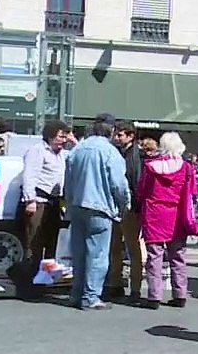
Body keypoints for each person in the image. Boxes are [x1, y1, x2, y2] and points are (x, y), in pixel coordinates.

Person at [63, 119, 131, 310]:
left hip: (77, 204)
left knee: (79, 253)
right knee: (98, 254)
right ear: (111, 132)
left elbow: (67, 180)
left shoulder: (77, 149)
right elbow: (118, 184)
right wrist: (124, 205)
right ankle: (91, 296)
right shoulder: (110, 152)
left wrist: (69, 202)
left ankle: (76, 293)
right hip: (100, 206)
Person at [133, 132, 198, 309]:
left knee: (154, 256)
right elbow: (192, 191)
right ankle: (180, 294)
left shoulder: (150, 166)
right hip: (177, 214)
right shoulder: (186, 168)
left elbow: (142, 191)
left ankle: (154, 296)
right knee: (178, 256)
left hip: (154, 213)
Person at [21, 120, 73, 263]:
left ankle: (47, 276)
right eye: (60, 137)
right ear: (50, 136)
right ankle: (31, 274)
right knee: (35, 240)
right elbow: (29, 175)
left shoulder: (62, 154)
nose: (64, 141)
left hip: (54, 202)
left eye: (65, 137)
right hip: (39, 200)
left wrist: (73, 141)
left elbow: (79, 154)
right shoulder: (38, 150)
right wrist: (30, 200)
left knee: (52, 240)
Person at [106, 121, 146, 302]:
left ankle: (135, 288)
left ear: (130, 136)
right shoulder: (117, 151)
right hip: (116, 205)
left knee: (132, 247)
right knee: (114, 246)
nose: (116, 137)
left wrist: (135, 207)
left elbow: (136, 182)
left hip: (129, 206)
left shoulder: (135, 155)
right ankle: (116, 282)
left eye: (120, 134)